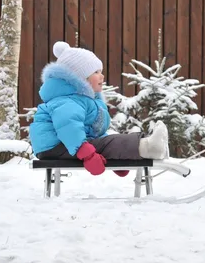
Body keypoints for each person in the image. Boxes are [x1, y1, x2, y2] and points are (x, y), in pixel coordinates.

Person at [29, 41, 169, 177]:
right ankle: (150, 147)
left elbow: (96, 135)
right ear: (80, 78)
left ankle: (149, 144)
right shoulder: (67, 100)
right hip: (57, 146)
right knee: (107, 144)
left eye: (101, 71)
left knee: (108, 142)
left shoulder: (84, 100)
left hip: (67, 145)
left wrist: (117, 158)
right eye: (96, 72)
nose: (102, 76)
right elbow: (68, 127)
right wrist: (87, 155)